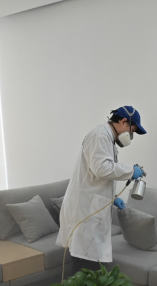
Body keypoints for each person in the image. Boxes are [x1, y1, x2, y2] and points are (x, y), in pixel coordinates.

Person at [56, 106, 147, 274]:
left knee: (89, 261)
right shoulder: (100, 136)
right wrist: (131, 171)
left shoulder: (106, 137)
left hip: (89, 205)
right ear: (123, 121)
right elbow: (101, 169)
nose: (130, 136)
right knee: (84, 263)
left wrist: (112, 197)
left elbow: (96, 176)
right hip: (84, 209)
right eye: (131, 131)